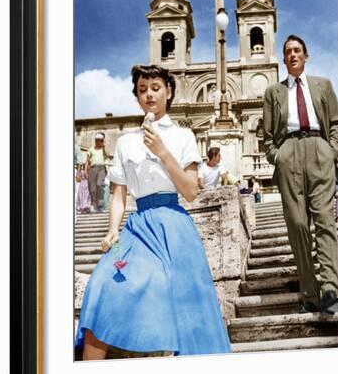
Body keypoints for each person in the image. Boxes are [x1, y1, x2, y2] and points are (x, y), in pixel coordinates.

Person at [75, 64, 232, 359]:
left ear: (169, 92)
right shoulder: (125, 142)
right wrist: (112, 230)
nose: (149, 95)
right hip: (138, 227)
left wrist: (162, 151)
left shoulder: (183, 136)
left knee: (186, 308)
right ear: (136, 95)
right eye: (142, 89)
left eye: (156, 88)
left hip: (174, 226)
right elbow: (119, 195)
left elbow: (190, 191)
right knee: (100, 285)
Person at [262, 34, 338, 315]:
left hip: (320, 150)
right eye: (288, 52)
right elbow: (267, 135)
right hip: (289, 154)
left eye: (297, 50)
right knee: (297, 225)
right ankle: (310, 292)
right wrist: (278, 156)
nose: (293, 54)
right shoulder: (273, 92)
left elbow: (335, 123)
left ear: (306, 56)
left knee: (325, 221)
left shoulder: (323, 85)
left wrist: (332, 150)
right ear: (284, 59)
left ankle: (331, 287)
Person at [85, 132, 108, 212]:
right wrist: (85, 171)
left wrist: (104, 146)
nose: (98, 142)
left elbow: (107, 155)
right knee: (92, 188)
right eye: (97, 140)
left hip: (101, 168)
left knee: (99, 185)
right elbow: (87, 161)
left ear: (102, 141)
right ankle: (94, 205)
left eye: (100, 140)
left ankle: (100, 204)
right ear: (95, 140)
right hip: (92, 169)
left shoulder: (104, 149)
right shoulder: (91, 149)